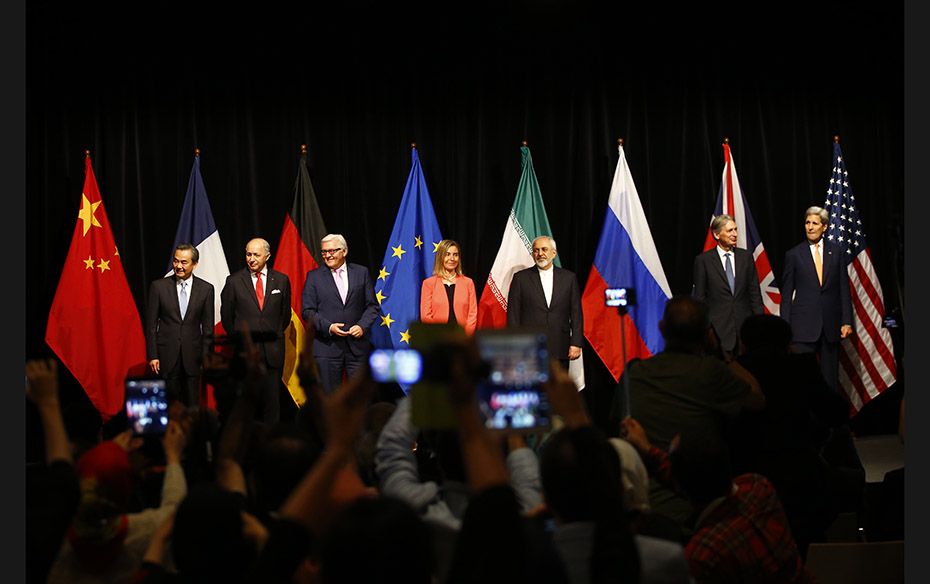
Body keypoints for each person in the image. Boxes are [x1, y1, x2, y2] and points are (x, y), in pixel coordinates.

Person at [609, 295, 764, 526]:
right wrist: (723, 355)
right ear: (707, 335)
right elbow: (758, 399)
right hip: (696, 511)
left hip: (640, 510)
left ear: (661, 328)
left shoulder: (634, 373)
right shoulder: (711, 372)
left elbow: (613, 426)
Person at [779, 206, 854, 392]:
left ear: (825, 227)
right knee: (801, 379)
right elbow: (786, 295)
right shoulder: (794, 255)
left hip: (830, 325)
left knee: (830, 380)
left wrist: (846, 321)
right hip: (802, 327)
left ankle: (831, 420)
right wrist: (784, 326)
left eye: (814, 223)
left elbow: (843, 289)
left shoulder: (836, 252)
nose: (810, 227)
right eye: (807, 223)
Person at [220, 238, 292, 424]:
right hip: (246, 353)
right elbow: (227, 318)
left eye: (256, 255)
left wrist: (270, 335)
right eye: (248, 254)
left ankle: (270, 445)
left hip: (273, 353)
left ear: (267, 256)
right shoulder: (234, 281)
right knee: (247, 404)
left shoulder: (282, 281)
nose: (251, 259)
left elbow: (284, 317)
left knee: (271, 404)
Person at [301, 233, 379, 394]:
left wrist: (362, 326)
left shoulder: (361, 272)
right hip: (327, 348)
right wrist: (328, 327)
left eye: (332, 251)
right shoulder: (314, 277)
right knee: (330, 400)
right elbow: (307, 311)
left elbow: (372, 306)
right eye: (324, 252)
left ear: (344, 251)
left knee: (359, 398)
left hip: (357, 348)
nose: (327, 255)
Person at [144, 244, 215, 407]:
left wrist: (207, 357)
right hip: (166, 356)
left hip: (194, 357)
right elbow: (151, 326)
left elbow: (208, 329)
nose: (178, 266)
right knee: (169, 405)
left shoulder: (206, 289)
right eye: (176, 261)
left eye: (184, 262)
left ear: (194, 264)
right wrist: (153, 355)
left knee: (192, 406)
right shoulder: (158, 287)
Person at [506, 236, 583, 369]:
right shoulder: (520, 278)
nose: (540, 254)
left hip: (560, 346)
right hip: (529, 348)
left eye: (544, 249)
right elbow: (513, 314)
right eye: (536, 250)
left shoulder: (569, 278)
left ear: (554, 253)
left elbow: (576, 313)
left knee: (558, 389)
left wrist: (576, 342)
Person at [692, 214, 763, 356]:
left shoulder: (746, 257)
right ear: (717, 234)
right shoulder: (703, 261)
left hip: (745, 330)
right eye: (730, 231)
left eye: (735, 230)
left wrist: (759, 324)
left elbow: (754, 293)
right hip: (718, 331)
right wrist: (707, 328)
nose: (735, 234)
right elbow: (699, 299)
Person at [420, 239, 478, 335]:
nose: (452, 258)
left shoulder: (468, 283)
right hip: (437, 338)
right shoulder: (428, 284)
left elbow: (472, 314)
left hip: (462, 339)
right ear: (440, 257)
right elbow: (426, 316)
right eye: (447, 254)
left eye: (455, 255)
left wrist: (465, 335)